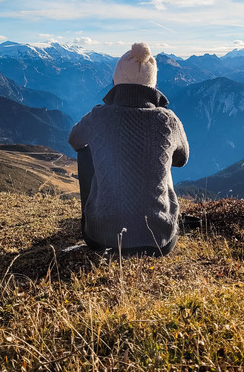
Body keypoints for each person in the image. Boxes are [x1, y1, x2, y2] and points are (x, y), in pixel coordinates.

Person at [68, 42, 189, 256]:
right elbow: (182, 159)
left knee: (86, 150)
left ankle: (102, 217)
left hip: (100, 238)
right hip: (159, 240)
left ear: (117, 80)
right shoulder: (168, 120)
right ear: (152, 84)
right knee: (165, 155)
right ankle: (152, 217)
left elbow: (74, 140)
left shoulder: (99, 116)